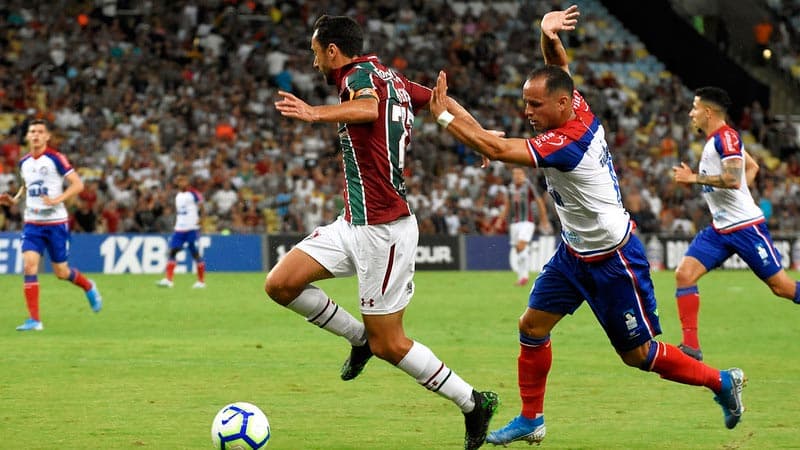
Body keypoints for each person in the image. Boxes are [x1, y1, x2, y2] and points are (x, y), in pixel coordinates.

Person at [428, 5, 746, 445]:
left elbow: (497, 151)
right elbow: (558, 70)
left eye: (534, 105)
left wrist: (444, 116)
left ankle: (722, 382)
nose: (527, 112)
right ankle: (532, 419)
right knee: (531, 327)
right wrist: (548, 35)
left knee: (638, 356)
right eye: (525, 103)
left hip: (615, 260)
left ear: (560, 103)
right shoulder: (572, 106)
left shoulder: (568, 142)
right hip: (574, 253)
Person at [269, 15, 497, 449]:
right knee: (281, 283)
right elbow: (439, 102)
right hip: (352, 221)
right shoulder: (386, 73)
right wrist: (481, 136)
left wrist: (314, 113)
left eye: (315, 50)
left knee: (391, 344)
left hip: (384, 231)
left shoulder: (358, 78)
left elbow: (368, 108)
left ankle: (473, 402)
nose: (313, 58)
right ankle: (358, 340)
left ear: (332, 51)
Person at [671, 86, 800, 361]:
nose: (691, 113)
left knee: (783, 288)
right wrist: (741, 196)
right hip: (720, 229)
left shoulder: (726, 137)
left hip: (746, 228)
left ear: (707, 112)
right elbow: (751, 168)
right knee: (684, 274)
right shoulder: (717, 141)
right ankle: (691, 347)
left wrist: (693, 178)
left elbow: (732, 179)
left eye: (694, 108)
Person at [0, 119, 102, 331]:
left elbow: (78, 184)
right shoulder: (24, 162)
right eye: (32, 132)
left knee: (61, 273)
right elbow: (26, 186)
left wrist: (57, 200)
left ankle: (88, 286)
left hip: (56, 224)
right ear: (27, 136)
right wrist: (15, 199)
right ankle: (35, 320)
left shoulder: (56, 158)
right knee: (29, 265)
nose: (36, 135)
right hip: (32, 224)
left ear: (47, 137)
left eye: (40, 132)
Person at [156, 173, 206, 288]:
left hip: (191, 228)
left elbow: (202, 207)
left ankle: (201, 281)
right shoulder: (178, 196)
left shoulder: (194, 194)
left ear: (187, 182)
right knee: (172, 251)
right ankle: (169, 280)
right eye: (179, 181)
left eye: (183, 180)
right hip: (179, 229)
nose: (181, 183)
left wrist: (202, 220)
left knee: (195, 254)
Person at [504, 167, 551, 286]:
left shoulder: (528, 186)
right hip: (514, 223)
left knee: (521, 246)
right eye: (515, 173)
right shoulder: (510, 188)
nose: (517, 176)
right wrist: (501, 220)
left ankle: (524, 276)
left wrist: (544, 219)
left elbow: (539, 201)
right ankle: (522, 277)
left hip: (527, 222)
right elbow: (508, 205)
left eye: (519, 173)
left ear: (524, 175)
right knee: (519, 249)